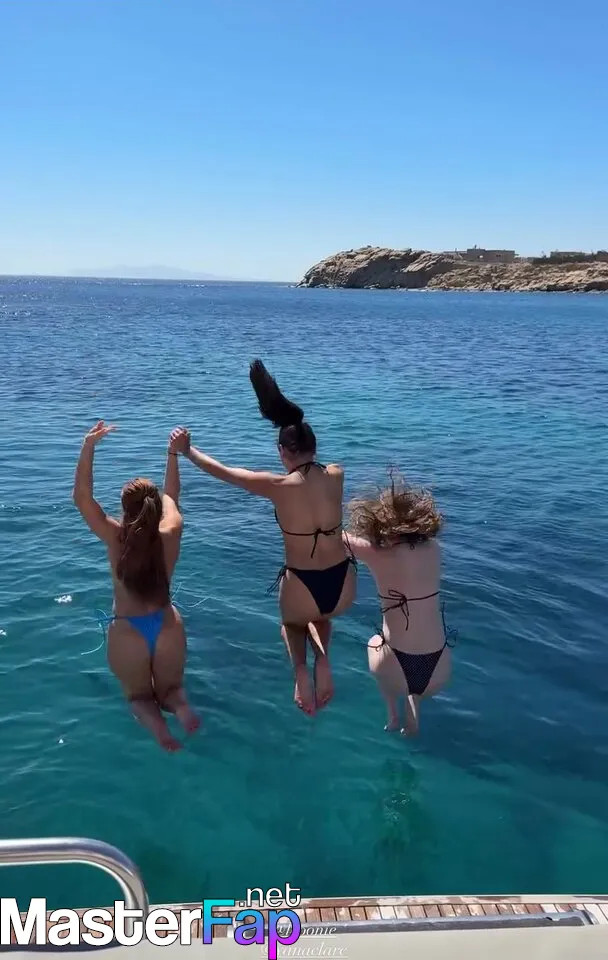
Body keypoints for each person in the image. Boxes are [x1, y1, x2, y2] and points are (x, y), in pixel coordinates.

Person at [170, 359, 356, 716]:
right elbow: (314, 466)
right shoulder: (336, 474)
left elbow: (224, 472)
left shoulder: (278, 486)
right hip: (344, 584)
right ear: (315, 448)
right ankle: (323, 660)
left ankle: (301, 672)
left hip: (302, 585)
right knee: (322, 616)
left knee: (292, 624)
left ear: (282, 453)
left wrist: (187, 450)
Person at [72, 420, 199, 751]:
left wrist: (88, 446)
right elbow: (172, 496)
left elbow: (82, 498)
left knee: (139, 697)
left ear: (125, 511)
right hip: (168, 625)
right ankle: (182, 710)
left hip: (128, 631)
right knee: (172, 690)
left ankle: (160, 732)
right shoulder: (171, 531)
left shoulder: (116, 538)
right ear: (155, 507)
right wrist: (172, 453)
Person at [343, 472, 451, 736]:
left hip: (394, 669)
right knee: (413, 675)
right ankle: (414, 705)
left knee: (374, 642)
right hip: (439, 670)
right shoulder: (434, 549)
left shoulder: (378, 554)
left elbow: (334, 537)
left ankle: (393, 715)